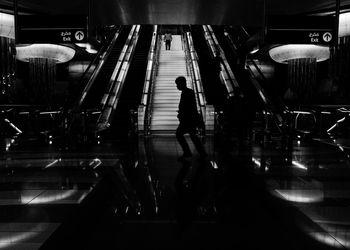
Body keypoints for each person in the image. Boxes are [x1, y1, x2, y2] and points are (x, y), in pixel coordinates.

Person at [175, 76, 207, 160]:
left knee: (179, 134)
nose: (177, 86)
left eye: (177, 84)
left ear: (182, 83)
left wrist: (182, 113)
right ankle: (201, 153)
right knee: (193, 136)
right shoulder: (187, 92)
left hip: (188, 119)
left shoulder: (187, 92)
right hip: (189, 119)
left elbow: (190, 107)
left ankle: (188, 152)